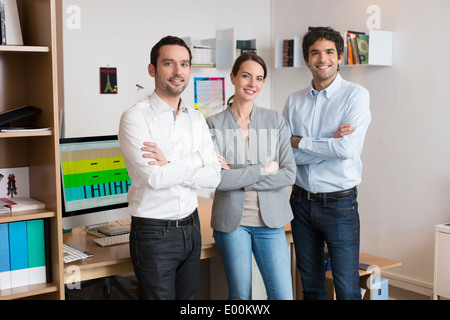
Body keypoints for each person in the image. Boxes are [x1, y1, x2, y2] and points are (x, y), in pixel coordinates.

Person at [118, 36, 221, 300]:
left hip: (192, 227)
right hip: (154, 234)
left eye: (184, 64)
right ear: (152, 69)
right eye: (169, 63)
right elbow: (155, 177)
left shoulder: (196, 119)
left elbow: (214, 176)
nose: (178, 71)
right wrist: (197, 160)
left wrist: (172, 166)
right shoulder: (135, 118)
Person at [282, 26, 371, 300]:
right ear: (307, 60)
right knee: (311, 287)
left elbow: (345, 149)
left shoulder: (356, 95)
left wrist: (301, 141)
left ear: (340, 57)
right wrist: (326, 143)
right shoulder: (293, 101)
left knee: (346, 288)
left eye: (330, 52)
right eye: (315, 53)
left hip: (340, 206)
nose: (323, 58)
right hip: (301, 203)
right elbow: (285, 155)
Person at [206, 53, 296, 300]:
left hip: (272, 222)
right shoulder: (212, 124)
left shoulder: (275, 120)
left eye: (259, 78)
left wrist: (237, 177)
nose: (252, 84)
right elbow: (219, 180)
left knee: (283, 296)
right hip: (231, 224)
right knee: (240, 296)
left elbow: (289, 173)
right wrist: (263, 170)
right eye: (246, 76)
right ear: (233, 77)